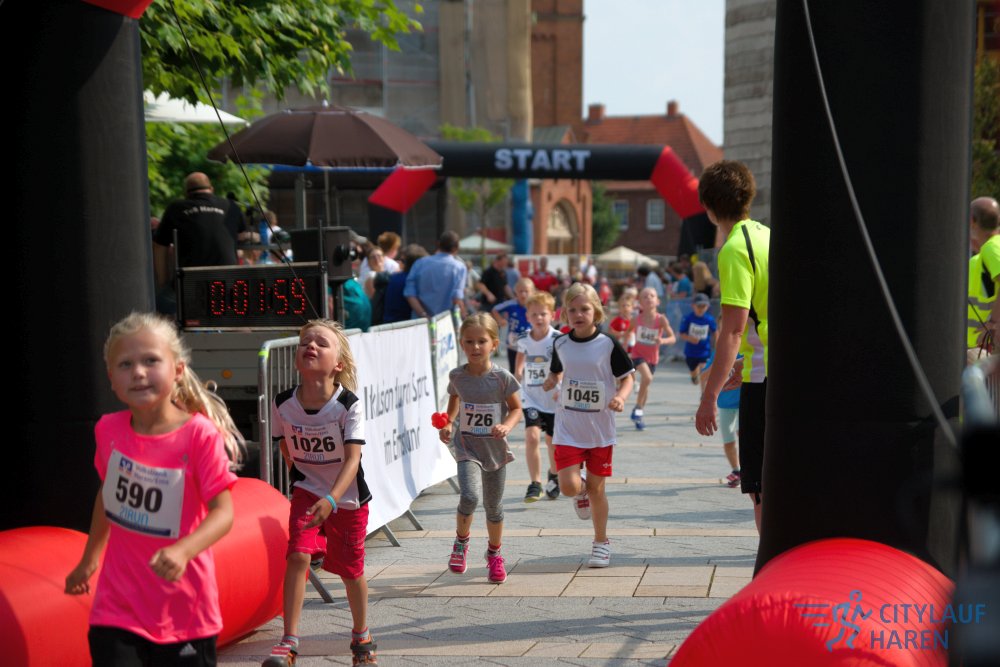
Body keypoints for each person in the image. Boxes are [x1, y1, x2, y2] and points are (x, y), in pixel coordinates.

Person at [65, 312, 242, 665]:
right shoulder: (108, 429)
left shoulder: (198, 435)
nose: (138, 372)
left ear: (177, 369)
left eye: (150, 360)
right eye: (125, 364)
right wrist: (89, 559)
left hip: (184, 613)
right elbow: (107, 496)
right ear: (111, 378)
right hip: (116, 608)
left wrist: (183, 551)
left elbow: (223, 513)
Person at [267, 320, 377, 666]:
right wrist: (302, 479)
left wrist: (331, 499)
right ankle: (289, 641)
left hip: (346, 498)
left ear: (339, 364)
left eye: (321, 343)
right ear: (296, 359)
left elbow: (353, 460)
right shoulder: (282, 403)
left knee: (350, 571)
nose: (310, 346)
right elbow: (285, 445)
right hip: (307, 491)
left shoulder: (348, 405)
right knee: (298, 555)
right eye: (305, 342)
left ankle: (361, 635)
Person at [694, 160, 769, 533]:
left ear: (709, 209)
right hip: (782, 369)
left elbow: (733, 330)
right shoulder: (766, 235)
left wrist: (709, 397)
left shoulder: (734, 248)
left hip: (763, 381)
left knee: (760, 488)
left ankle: (769, 563)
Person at [542, 283, 634, 568]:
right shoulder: (560, 343)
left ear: (596, 311)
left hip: (599, 430)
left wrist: (620, 397)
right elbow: (557, 371)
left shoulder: (608, 344)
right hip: (568, 426)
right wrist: (551, 381)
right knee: (569, 486)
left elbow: (628, 377)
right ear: (564, 313)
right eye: (572, 310)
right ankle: (579, 491)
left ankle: (601, 543)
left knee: (597, 490)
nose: (578, 314)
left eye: (584, 309)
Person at [435, 314, 523, 583]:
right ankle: (461, 543)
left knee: (493, 506)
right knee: (470, 497)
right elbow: (454, 400)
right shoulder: (457, 376)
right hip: (467, 446)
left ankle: (494, 553)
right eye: (469, 341)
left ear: (494, 344)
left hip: (494, 450)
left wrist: (506, 426)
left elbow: (516, 408)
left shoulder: (502, 378)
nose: (475, 347)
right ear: (461, 343)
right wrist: (448, 423)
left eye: (481, 341)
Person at [153, 172, 241, 288]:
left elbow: (159, 246)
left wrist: (163, 281)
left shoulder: (176, 208)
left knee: (162, 297)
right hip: (229, 281)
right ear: (211, 189)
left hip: (191, 282)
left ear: (186, 193)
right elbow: (242, 236)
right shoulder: (231, 206)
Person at [514, 292, 562, 502]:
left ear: (552, 315)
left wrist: (558, 380)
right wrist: (517, 374)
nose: (539, 318)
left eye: (543, 314)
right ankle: (535, 483)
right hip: (530, 396)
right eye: (534, 314)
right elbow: (520, 358)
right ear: (528, 316)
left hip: (553, 398)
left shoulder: (558, 338)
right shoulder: (523, 338)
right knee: (532, 436)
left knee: (552, 442)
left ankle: (554, 474)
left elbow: (565, 364)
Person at [626, 287, 676, 431]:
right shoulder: (636, 320)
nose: (649, 298)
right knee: (647, 378)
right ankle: (637, 408)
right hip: (637, 355)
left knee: (645, 386)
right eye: (645, 296)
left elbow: (672, 337)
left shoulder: (661, 319)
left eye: (652, 296)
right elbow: (628, 332)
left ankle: (638, 414)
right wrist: (624, 347)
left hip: (652, 359)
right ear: (640, 302)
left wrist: (662, 340)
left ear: (658, 301)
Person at [702, 354, 744, 488]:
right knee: (728, 440)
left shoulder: (746, 351)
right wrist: (717, 365)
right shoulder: (720, 352)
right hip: (724, 404)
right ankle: (736, 470)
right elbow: (702, 377)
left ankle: (747, 470)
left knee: (744, 436)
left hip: (744, 402)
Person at [404, 231, 469, 318]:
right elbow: (456, 298)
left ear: (438, 244)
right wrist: (464, 315)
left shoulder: (419, 263)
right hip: (446, 321)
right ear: (456, 248)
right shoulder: (459, 267)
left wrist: (423, 314)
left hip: (420, 321)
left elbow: (410, 294)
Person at [967, 196, 1000, 361]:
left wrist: (993, 323)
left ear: (972, 221)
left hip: (983, 347)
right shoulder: (989, 249)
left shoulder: (991, 248)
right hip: (981, 346)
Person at [369, 244, 428, 325]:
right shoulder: (411, 281)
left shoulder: (394, 278)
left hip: (389, 324)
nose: (399, 262)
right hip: (406, 326)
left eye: (402, 260)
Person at [492, 277, 536, 370]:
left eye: (526, 291)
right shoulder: (511, 304)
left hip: (529, 341)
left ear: (532, 292)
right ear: (516, 292)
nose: (523, 294)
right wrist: (500, 320)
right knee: (514, 369)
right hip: (513, 342)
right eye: (520, 291)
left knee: (528, 369)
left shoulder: (535, 306)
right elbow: (495, 309)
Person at [679, 293, 718, 385]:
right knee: (694, 372)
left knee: (703, 369)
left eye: (703, 306)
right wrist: (690, 338)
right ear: (693, 306)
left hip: (705, 350)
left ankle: (703, 392)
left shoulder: (709, 319)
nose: (701, 309)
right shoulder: (688, 318)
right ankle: (694, 376)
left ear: (707, 307)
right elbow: (682, 334)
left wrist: (717, 345)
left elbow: (715, 332)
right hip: (691, 352)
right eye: (699, 306)